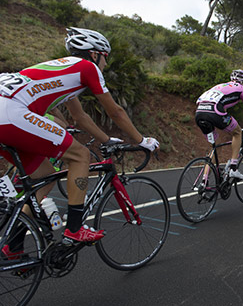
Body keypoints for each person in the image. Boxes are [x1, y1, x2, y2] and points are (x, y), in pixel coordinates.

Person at [0, 27, 159, 247]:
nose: (105, 65)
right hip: (10, 112)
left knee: (44, 176)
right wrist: (142, 141)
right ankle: (74, 230)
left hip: (7, 112)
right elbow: (116, 112)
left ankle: (12, 244)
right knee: (81, 156)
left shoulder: (63, 70)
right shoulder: (87, 67)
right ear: (95, 54)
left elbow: (80, 117)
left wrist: (107, 140)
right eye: (105, 59)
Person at [194, 69, 243, 179]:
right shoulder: (242, 89)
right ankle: (233, 168)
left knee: (216, 147)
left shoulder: (220, 86)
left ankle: (203, 181)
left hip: (199, 113)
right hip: (214, 111)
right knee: (237, 132)